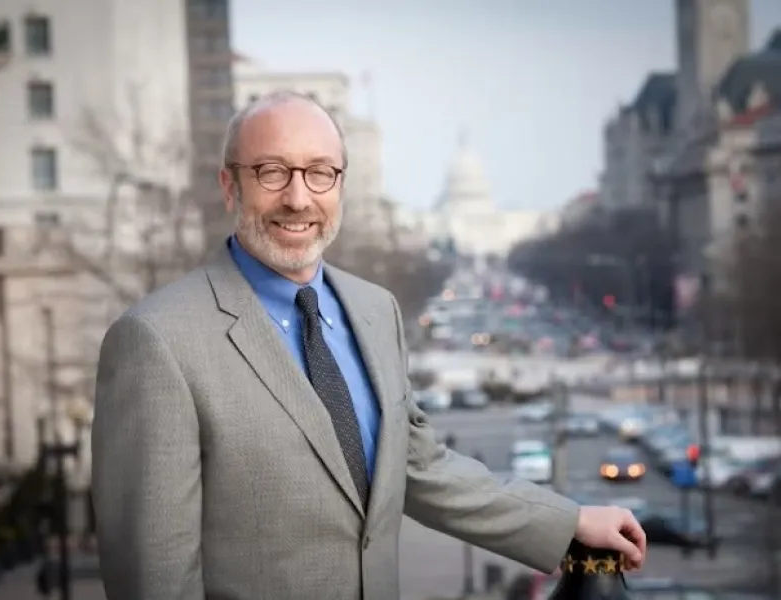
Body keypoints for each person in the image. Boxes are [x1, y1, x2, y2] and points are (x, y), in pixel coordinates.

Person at [91, 90, 646, 600]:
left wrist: (567, 523)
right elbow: (153, 579)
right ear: (229, 185)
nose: (297, 197)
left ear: (340, 186)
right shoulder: (156, 340)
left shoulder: (375, 310)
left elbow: (418, 466)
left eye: (319, 173)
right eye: (271, 172)